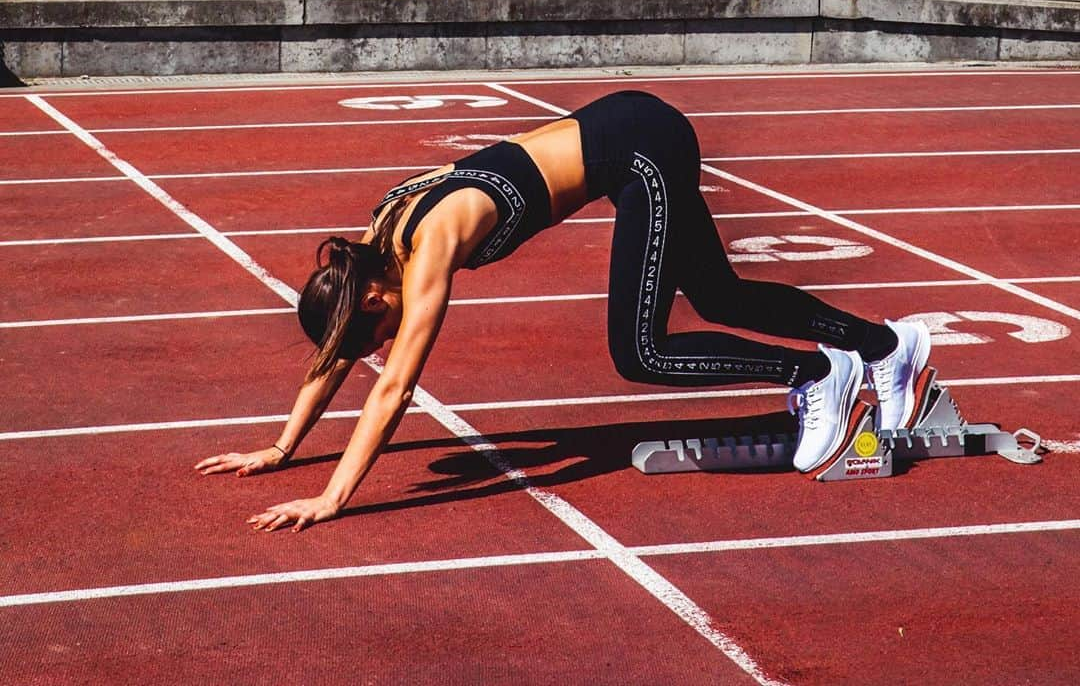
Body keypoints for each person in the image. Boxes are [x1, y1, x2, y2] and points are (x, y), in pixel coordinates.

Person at [196, 90, 931, 532]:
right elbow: (340, 351)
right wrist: (282, 448)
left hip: (643, 150)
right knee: (718, 295)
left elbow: (394, 388)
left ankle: (817, 375)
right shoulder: (375, 238)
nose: (380, 344)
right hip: (629, 129)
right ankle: (888, 348)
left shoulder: (433, 242)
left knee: (639, 351)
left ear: (378, 300)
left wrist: (332, 495)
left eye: (377, 333)